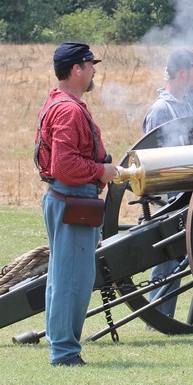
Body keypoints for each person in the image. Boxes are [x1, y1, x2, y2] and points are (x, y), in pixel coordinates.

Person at [34, 43, 118, 366]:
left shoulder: (59, 102)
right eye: (89, 64)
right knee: (73, 280)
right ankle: (66, 353)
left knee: (63, 277)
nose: (94, 70)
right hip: (73, 199)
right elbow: (65, 165)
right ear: (76, 70)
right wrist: (103, 171)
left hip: (65, 198)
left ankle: (62, 346)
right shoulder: (69, 110)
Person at [142, 48, 193, 325]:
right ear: (182, 74)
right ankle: (159, 317)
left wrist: (186, 57)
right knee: (169, 258)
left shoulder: (192, 98)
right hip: (171, 194)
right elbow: (152, 158)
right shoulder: (161, 110)